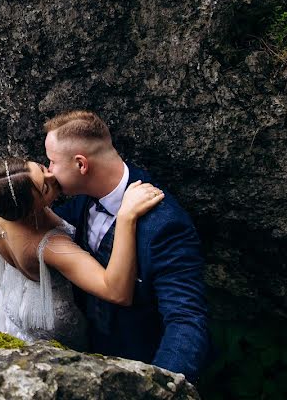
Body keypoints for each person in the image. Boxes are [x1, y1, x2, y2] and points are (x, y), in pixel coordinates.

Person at [45, 110, 209, 381]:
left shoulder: (165, 225)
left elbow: (186, 320)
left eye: (51, 162)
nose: (49, 172)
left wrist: (159, 387)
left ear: (81, 165)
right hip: (88, 355)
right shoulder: (82, 200)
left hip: (141, 361)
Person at [0, 157, 164, 349]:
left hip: (10, 302)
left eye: (43, 168)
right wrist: (126, 217)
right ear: (30, 212)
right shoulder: (49, 245)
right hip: (49, 319)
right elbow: (116, 292)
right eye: (45, 189)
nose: (53, 177)